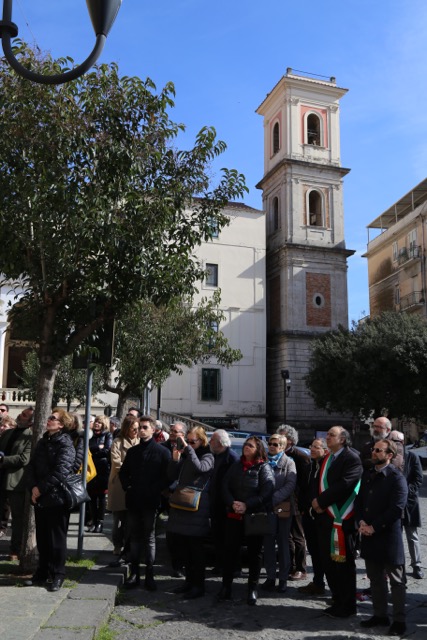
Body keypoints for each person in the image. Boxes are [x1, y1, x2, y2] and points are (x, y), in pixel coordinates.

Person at [356, 439, 408, 636]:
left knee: (396, 581)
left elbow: (396, 508)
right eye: (374, 449)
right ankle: (380, 614)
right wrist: (360, 522)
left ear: (389, 455)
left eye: (379, 450)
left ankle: (399, 620)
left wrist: (373, 527)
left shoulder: (396, 477)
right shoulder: (368, 474)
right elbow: (359, 500)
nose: (374, 452)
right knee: (375, 578)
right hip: (368, 535)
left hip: (387, 536)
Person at [311, 426, 362, 618]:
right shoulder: (327, 458)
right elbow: (318, 483)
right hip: (325, 518)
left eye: (331, 435)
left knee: (344, 565)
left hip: (342, 519)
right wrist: (315, 502)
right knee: (328, 562)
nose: (327, 437)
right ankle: (337, 599)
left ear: (342, 439)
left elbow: (345, 484)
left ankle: (348, 605)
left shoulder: (352, 458)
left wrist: (321, 502)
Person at [218, 436, 275, 606]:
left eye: (250, 446)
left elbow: (267, 491)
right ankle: (226, 586)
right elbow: (224, 486)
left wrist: (247, 505)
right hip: (234, 515)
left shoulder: (263, 467)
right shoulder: (236, 466)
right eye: (245, 445)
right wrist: (232, 503)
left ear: (258, 449)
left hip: (253, 517)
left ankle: (252, 588)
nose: (246, 448)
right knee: (230, 551)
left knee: (254, 554)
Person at [25, 409, 76, 591]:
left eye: (53, 418)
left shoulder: (65, 443)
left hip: (57, 498)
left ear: (61, 424)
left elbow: (61, 471)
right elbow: (31, 466)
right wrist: (32, 488)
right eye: (49, 418)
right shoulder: (43, 440)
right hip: (40, 497)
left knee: (56, 539)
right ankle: (42, 572)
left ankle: (58, 574)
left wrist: (40, 488)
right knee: (43, 537)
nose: (49, 420)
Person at [119, 415, 170, 590]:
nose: (141, 430)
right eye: (139, 427)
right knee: (133, 536)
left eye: (145, 427)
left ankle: (149, 574)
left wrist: (156, 490)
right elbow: (123, 473)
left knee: (149, 538)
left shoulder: (162, 452)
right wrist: (129, 487)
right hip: (134, 500)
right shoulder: (133, 452)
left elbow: (168, 476)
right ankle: (134, 574)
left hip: (151, 501)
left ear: (153, 430)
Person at [167, 426, 214, 599]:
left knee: (196, 550)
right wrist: (175, 459)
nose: (189, 444)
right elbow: (171, 475)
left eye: (193, 441)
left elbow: (201, 468)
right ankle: (188, 582)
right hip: (182, 507)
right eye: (188, 440)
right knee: (184, 548)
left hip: (197, 509)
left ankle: (198, 585)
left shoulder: (208, 455)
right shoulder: (187, 455)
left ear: (202, 441)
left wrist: (188, 450)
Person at [262, 433, 296, 593]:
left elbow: (290, 484)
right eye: (270, 443)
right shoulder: (264, 461)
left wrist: (273, 498)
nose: (271, 446)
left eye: (275, 444)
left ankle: (283, 578)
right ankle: (270, 576)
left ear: (282, 447)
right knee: (268, 544)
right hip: (266, 508)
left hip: (282, 507)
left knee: (283, 544)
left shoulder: (289, 463)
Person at [276, 424, 310, 581]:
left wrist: (303, 505)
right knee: (285, 535)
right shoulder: (277, 455)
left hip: (296, 502)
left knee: (297, 535)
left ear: (289, 440)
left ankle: (301, 569)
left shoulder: (300, 457)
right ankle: (289, 566)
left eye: (281, 437)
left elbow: (304, 484)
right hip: (282, 502)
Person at [390, 430, 424, 579]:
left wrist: (406, 492)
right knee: (395, 535)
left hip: (409, 502)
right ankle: (397, 564)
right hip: (392, 503)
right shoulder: (388, 457)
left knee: (413, 536)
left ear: (402, 442)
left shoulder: (412, 456)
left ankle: (416, 564)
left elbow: (418, 478)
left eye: (398, 441)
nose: (395, 444)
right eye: (392, 440)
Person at [298, 437, 329, 596]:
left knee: (325, 552)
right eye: (312, 446)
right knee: (314, 551)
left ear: (325, 450)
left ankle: (330, 585)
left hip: (323, 515)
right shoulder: (309, 466)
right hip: (308, 515)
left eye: (316, 447)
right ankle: (318, 582)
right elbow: (303, 489)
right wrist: (304, 508)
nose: (312, 449)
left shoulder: (327, 466)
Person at [0, 410, 32, 559]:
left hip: (16, 482)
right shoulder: (8, 433)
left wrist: (3, 460)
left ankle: (15, 550)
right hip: (1, 478)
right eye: (21, 413)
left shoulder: (31, 435)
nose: (20, 415)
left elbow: (23, 459)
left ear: (31, 420)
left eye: (24, 415)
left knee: (17, 519)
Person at [108, 415, 140, 559]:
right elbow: (116, 462)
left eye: (137, 429)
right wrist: (131, 470)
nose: (136, 431)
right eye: (133, 429)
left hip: (135, 484)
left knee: (131, 519)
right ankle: (117, 545)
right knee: (118, 519)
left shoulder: (140, 442)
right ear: (127, 429)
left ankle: (129, 546)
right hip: (119, 483)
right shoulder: (117, 442)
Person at [209, 429, 239, 574]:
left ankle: (231, 567)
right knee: (218, 537)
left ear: (220, 442)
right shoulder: (216, 456)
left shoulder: (231, 458)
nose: (210, 442)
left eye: (212, 439)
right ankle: (220, 564)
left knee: (229, 539)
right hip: (216, 503)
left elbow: (234, 484)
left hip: (226, 505)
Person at [87, 415, 112, 533]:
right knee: (91, 497)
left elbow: (107, 450)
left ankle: (100, 522)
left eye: (100, 422)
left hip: (102, 469)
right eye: (96, 421)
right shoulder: (90, 434)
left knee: (101, 497)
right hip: (91, 469)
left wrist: (94, 451)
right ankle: (93, 520)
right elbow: (87, 449)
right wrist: (98, 447)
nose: (97, 424)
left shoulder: (107, 435)